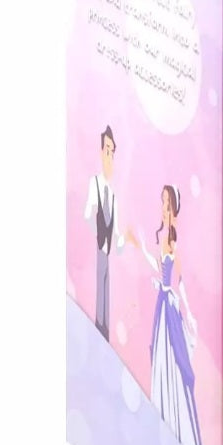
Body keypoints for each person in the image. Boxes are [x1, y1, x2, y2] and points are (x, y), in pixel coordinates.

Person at [128, 186, 205, 445]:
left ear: (174, 209)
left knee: (173, 360)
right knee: (162, 360)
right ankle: (163, 418)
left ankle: (175, 422)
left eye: (167, 203)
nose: (163, 208)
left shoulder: (173, 242)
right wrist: (139, 246)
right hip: (163, 306)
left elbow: (177, 281)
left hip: (169, 308)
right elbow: (161, 271)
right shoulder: (165, 240)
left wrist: (189, 314)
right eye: (162, 202)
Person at [82, 125, 124, 340]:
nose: (110, 157)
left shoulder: (113, 194)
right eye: (107, 151)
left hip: (108, 250)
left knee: (106, 289)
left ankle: (104, 334)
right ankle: (99, 331)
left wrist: (124, 240)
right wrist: (98, 236)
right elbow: (88, 214)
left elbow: (116, 232)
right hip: (100, 246)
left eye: (112, 152)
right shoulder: (95, 183)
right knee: (100, 289)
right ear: (101, 152)